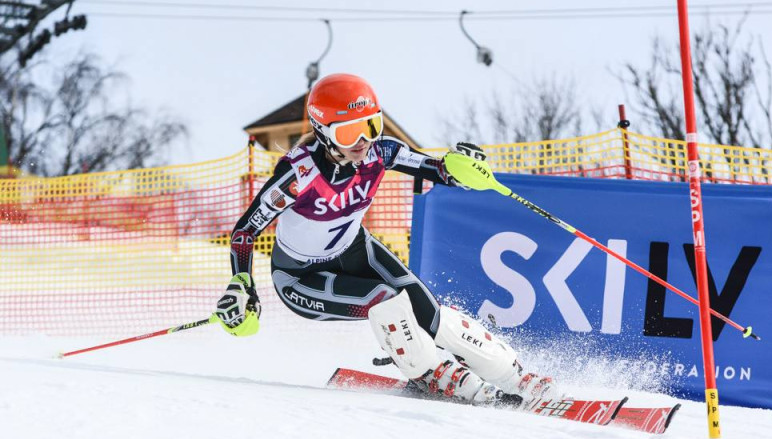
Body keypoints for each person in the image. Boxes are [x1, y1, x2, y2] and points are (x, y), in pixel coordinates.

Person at [213, 73, 558, 409]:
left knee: (427, 309)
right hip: (300, 278)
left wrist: (462, 168)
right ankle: (428, 373)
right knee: (386, 299)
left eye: (371, 126)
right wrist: (241, 282)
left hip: (355, 250)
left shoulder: (381, 153)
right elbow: (246, 230)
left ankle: (512, 374)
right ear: (323, 133)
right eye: (350, 133)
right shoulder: (299, 175)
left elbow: (437, 169)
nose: (363, 140)